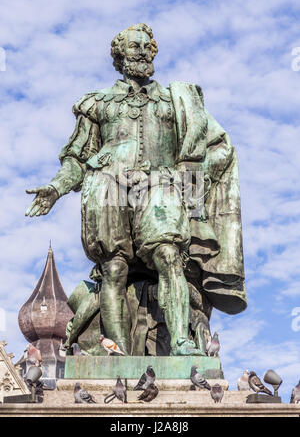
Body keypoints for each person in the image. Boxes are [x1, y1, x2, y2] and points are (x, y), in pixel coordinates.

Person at [26, 24, 246, 356]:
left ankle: (183, 344)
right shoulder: (98, 102)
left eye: (148, 47)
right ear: (120, 54)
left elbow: (219, 148)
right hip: (107, 187)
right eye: (135, 46)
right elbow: (77, 159)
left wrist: (187, 175)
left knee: (169, 256)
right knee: (113, 269)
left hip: (160, 186)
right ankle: (120, 355)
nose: (142, 51)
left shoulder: (176, 100)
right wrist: (57, 188)